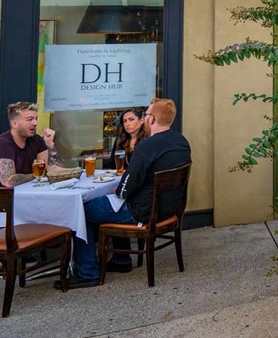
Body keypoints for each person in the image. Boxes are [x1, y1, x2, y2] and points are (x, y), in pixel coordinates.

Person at [58, 98, 191, 289]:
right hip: (167, 210)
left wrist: (119, 190)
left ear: (151, 119)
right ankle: (120, 259)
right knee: (107, 204)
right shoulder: (181, 141)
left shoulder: (147, 146)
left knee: (82, 210)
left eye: (146, 115)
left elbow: (126, 186)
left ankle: (87, 272)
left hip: (142, 211)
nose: (144, 118)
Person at [0, 101, 62, 187]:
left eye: (36, 119)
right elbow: (9, 181)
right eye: (30, 119)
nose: (35, 123)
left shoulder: (36, 140)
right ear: (14, 123)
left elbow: (55, 171)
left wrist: (50, 144)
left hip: (32, 192)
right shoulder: (2, 144)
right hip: (5, 197)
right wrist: (37, 175)